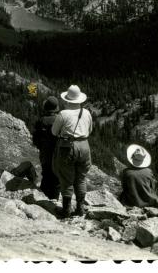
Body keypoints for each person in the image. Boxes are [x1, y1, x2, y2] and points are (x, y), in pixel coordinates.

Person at [52, 85, 93, 218]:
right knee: (81, 178)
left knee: (66, 177)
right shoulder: (86, 112)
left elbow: (54, 132)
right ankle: (80, 208)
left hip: (67, 146)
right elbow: (90, 130)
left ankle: (66, 210)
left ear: (67, 100)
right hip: (84, 145)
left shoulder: (63, 114)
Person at [32, 96, 60, 200]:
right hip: (57, 154)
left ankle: (43, 199)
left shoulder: (41, 121)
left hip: (45, 153)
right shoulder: (60, 120)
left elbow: (35, 139)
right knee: (56, 178)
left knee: (46, 174)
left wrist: (41, 147)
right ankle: (55, 201)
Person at [119, 144, 158, 208]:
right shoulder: (149, 172)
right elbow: (153, 187)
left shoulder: (126, 172)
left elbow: (124, 187)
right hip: (149, 202)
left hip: (131, 203)